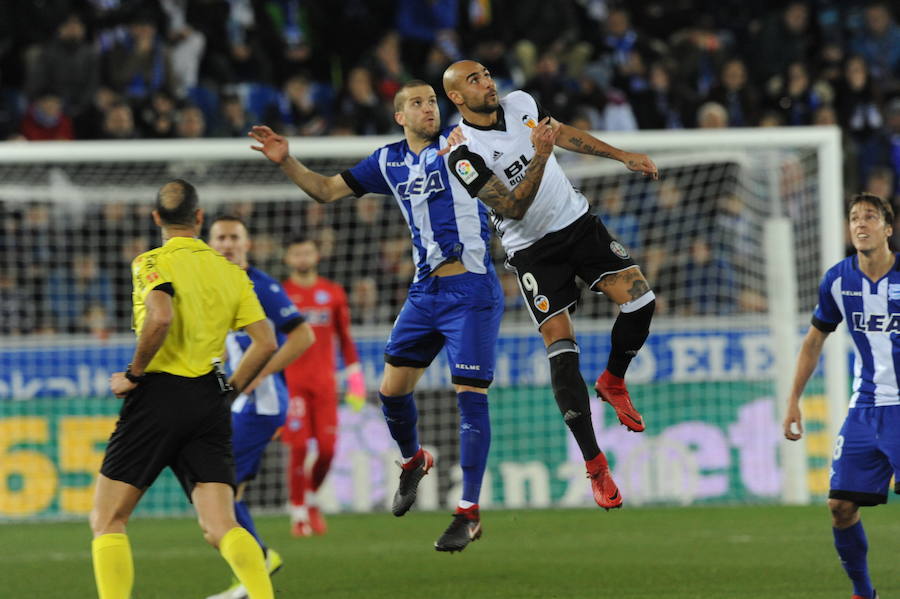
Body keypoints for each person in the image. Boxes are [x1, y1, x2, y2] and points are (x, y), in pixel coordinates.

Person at [248, 78, 504, 553]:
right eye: (417, 103)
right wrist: (286, 161)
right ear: (400, 116)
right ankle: (412, 461)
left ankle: (468, 512)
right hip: (425, 292)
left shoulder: (461, 144)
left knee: (468, 396)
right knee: (391, 393)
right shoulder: (387, 161)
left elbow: (497, 139)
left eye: (432, 101)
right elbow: (325, 191)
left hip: (471, 290)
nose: (429, 108)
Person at [441, 60, 658, 510]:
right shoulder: (462, 152)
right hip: (532, 251)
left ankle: (614, 380)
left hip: (577, 223)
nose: (487, 82)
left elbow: (560, 134)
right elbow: (513, 208)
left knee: (642, 300)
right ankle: (595, 463)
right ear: (458, 98)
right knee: (560, 345)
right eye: (474, 80)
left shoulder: (521, 102)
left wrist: (622, 156)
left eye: (485, 73)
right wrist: (539, 154)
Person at [90, 180, 278, 599]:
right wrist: (229, 390)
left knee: (108, 520)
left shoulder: (151, 262)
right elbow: (266, 341)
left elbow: (159, 317)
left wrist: (134, 374)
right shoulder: (230, 271)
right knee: (221, 527)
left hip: (157, 395)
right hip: (209, 399)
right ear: (199, 218)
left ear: (156, 218)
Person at [783, 193, 897, 599]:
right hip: (864, 409)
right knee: (840, 507)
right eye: (853, 218)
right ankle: (864, 593)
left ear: (888, 228)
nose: (860, 223)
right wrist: (793, 398)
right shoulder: (837, 279)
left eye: (870, 216)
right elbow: (814, 341)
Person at [206, 215, 316, 599]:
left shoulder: (261, 284)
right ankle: (252, 572)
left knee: (215, 489)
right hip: (238, 404)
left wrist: (258, 373)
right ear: (210, 242)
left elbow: (304, 336)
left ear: (247, 244)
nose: (228, 243)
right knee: (227, 494)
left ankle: (260, 564)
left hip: (260, 404)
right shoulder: (213, 281)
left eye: (235, 237)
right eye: (221, 237)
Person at [280, 236, 365, 537]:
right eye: (296, 252)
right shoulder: (281, 294)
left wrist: (355, 380)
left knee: (328, 450)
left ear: (316, 255)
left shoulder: (332, 293)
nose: (302, 258)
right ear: (288, 258)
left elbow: (345, 338)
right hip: (292, 383)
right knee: (300, 446)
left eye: (307, 252)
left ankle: (312, 497)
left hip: (325, 384)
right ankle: (298, 511)